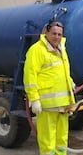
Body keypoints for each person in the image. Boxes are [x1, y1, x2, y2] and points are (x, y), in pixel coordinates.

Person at [23, 20, 76, 155]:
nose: (56, 37)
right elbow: (30, 77)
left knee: (62, 141)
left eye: (59, 34)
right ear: (46, 32)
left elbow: (63, 71)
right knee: (47, 142)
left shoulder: (61, 48)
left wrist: (70, 84)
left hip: (64, 105)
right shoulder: (37, 50)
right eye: (54, 33)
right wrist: (34, 99)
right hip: (47, 106)